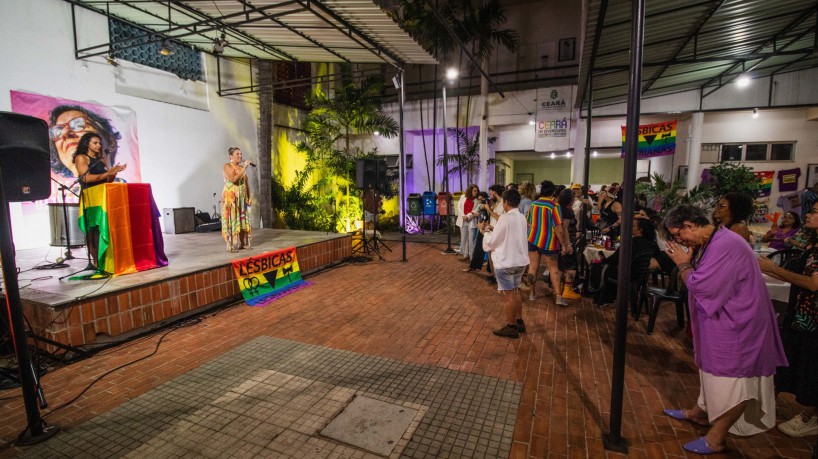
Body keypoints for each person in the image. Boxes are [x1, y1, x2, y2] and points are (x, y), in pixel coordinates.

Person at [662, 205, 787, 455]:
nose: (680, 241)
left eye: (678, 235)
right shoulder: (711, 241)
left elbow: (703, 287)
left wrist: (683, 265)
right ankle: (701, 412)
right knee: (711, 373)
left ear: (690, 225)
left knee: (733, 382)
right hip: (722, 321)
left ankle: (716, 437)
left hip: (739, 327)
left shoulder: (725, 244)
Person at [758, 201, 818, 438]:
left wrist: (774, 269)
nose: (809, 214)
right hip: (800, 318)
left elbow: (814, 284)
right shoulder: (811, 243)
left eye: (814, 211)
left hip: (811, 321)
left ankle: (811, 416)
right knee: (790, 361)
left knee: (810, 368)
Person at [479, 189, 530, 339]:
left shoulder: (505, 218)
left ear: (506, 202)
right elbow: (512, 234)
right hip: (520, 262)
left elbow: (494, 241)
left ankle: (511, 326)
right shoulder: (521, 217)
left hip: (507, 262)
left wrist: (485, 233)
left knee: (509, 296)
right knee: (516, 291)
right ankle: (520, 321)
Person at [73, 132, 127, 268]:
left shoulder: (101, 160)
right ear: (87, 144)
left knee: (104, 227)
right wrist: (107, 173)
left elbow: (108, 179)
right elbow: (86, 178)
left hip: (102, 197)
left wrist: (114, 172)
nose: (98, 145)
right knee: (92, 230)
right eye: (95, 143)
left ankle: (107, 258)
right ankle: (96, 261)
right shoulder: (81, 158)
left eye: (99, 143)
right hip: (90, 198)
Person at [595, 216, 659, 305]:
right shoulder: (652, 243)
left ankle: (602, 297)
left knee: (601, 268)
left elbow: (615, 259)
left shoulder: (631, 242)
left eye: (632, 226)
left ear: (640, 230)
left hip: (628, 275)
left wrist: (603, 261)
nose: (630, 228)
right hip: (641, 276)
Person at [525, 180, 569, 305]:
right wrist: (564, 244)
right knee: (553, 268)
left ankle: (532, 293)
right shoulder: (554, 206)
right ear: (553, 192)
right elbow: (558, 228)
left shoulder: (533, 204)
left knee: (533, 267)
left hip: (533, 239)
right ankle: (559, 297)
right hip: (549, 242)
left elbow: (528, 221)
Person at [50, 105, 121, 178]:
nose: (65, 133)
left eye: (78, 125)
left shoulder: (125, 188)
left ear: (111, 142)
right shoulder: (65, 189)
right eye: (58, 132)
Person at [222, 146, 253, 252]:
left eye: (241, 154)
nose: (240, 156)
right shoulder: (227, 166)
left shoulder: (241, 168)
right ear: (230, 156)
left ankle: (243, 243)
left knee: (242, 220)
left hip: (242, 199)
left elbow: (246, 183)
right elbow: (233, 179)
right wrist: (244, 167)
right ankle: (231, 245)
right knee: (232, 219)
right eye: (237, 154)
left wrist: (249, 197)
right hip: (232, 199)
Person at [557, 189, 582, 302]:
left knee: (563, 265)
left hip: (566, 240)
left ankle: (562, 288)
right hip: (567, 240)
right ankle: (567, 290)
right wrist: (567, 244)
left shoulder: (562, 208)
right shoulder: (565, 210)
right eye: (573, 196)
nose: (574, 198)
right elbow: (564, 228)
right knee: (571, 266)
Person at [457, 184, 479, 261]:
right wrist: (463, 215)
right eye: (474, 191)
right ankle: (465, 254)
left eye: (476, 191)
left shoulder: (476, 200)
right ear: (470, 190)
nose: (476, 192)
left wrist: (468, 216)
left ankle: (472, 257)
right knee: (464, 238)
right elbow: (459, 207)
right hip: (463, 220)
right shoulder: (463, 197)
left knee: (471, 239)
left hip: (471, 221)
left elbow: (476, 210)